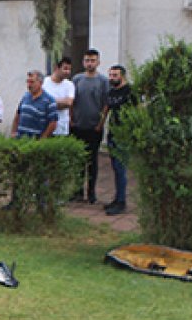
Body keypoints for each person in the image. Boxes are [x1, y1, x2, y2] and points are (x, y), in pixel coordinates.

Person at [71, 49, 109, 204]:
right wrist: (71, 120)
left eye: (93, 60)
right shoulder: (77, 79)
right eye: (87, 60)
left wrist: (101, 123)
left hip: (94, 128)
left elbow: (106, 104)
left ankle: (91, 193)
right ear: (83, 62)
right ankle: (78, 191)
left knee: (92, 161)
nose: (90, 63)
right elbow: (71, 101)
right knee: (78, 161)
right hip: (78, 126)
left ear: (98, 62)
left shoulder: (103, 81)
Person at [100, 64, 132, 215]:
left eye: (115, 75)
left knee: (120, 169)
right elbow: (106, 109)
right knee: (115, 168)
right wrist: (100, 125)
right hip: (113, 134)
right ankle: (117, 199)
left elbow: (139, 111)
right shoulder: (112, 92)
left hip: (124, 135)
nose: (112, 78)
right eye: (110, 75)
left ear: (123, 76)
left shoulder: (130, 92)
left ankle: (121, 202)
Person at [11, 70, 58, 139]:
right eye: (28, 82)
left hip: (35, 142)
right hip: (20, 140)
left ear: (41, 83)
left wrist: (43, 139)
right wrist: (13, 132)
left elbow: (53, 123)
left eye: (32, 82)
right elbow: (18, 115)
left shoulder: (49, 101)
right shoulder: (25, 96)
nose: (29, 85)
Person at [42, 57, 74, 139]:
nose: (68, 72)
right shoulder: (44, 83)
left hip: (62, 128)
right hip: (45, 127)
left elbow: (69, 103)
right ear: (57, 68)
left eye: (69, 69)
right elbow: (41, 103)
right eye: (65, 69)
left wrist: (50, 103)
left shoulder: (69, 85)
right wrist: (60, 102)